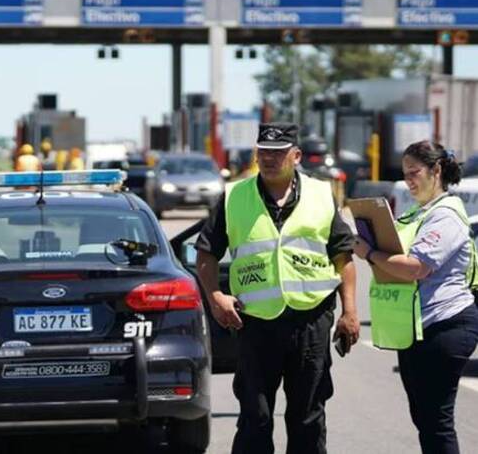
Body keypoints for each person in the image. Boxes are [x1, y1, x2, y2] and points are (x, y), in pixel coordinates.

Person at [195, 122, 359, 454]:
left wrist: (350, 312)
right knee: (255, 417)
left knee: (308, 417)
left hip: (310, 321)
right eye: (263, 153)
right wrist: (215, 298)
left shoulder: (320, 194)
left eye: (278, 153)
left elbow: (344, 256)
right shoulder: (233, 196)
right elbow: (205, 253)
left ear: (296, 156)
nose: (269, 159)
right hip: (255, 324)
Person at [353, 140, 478, 454]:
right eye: (405, 173)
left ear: (436, 170)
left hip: (445, 325)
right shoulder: (417, 212)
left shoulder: (446, 215)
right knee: (423, 418)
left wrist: (368, 251)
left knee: (436, 420)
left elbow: (415, 268)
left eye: (415, 173)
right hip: (416, 328)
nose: (408, 180)